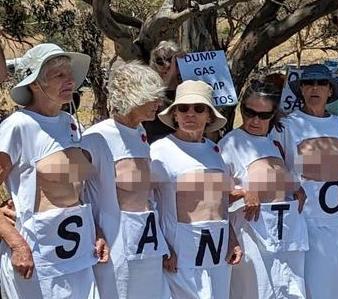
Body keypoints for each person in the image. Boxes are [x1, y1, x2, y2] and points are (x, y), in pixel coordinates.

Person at [0, 43, 108, 298]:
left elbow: (74, 191)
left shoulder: (69, 123)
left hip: (79, 255)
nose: (69, 80)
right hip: (36, 259)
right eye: (58, 75)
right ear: (35, 84)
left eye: (69, 74)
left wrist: (97, 231)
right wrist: (16, 244)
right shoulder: (18, 126)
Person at [82, 60, 170, 299]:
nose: (159, 104)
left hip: (147, 242)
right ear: (133, 95)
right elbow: (75, 192)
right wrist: (96, 231)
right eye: (152, 97)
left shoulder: (141, 132)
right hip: (115, 245)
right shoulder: (96, 138)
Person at [272, 64, 338, 299]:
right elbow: (275, 165)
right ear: (300, 89)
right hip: (308, 221)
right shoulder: (287, 125)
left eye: (321, 83)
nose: (315, 88)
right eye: (309, 83)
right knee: (315, 286)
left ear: (330, 91)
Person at [150, 80, 242, 299]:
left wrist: (231, 239)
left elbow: (219, 202)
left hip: (217, 250)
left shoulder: (213, 150)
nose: (190, 114)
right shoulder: (160, 151)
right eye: (183, 108)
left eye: (199, 108)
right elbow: (147, 202)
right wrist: (162, 247)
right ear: (174, 114)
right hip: (181, 251)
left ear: (209, 116)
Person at [219, 81, 309, 299]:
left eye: (263, 115)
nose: (255, 120)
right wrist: (242, 194)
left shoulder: (274, 142)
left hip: (285, 235)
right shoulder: (230, 145)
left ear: (273, 115)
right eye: (250, 112)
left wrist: (294, 190)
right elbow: (213, 197)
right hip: (251, 237)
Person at [143, 40, 183, 143]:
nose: (167, 65)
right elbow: (163, 93)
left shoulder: (185, 91)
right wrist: (172, 71)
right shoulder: (149, 93)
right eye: (160, 61)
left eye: (171, 59)